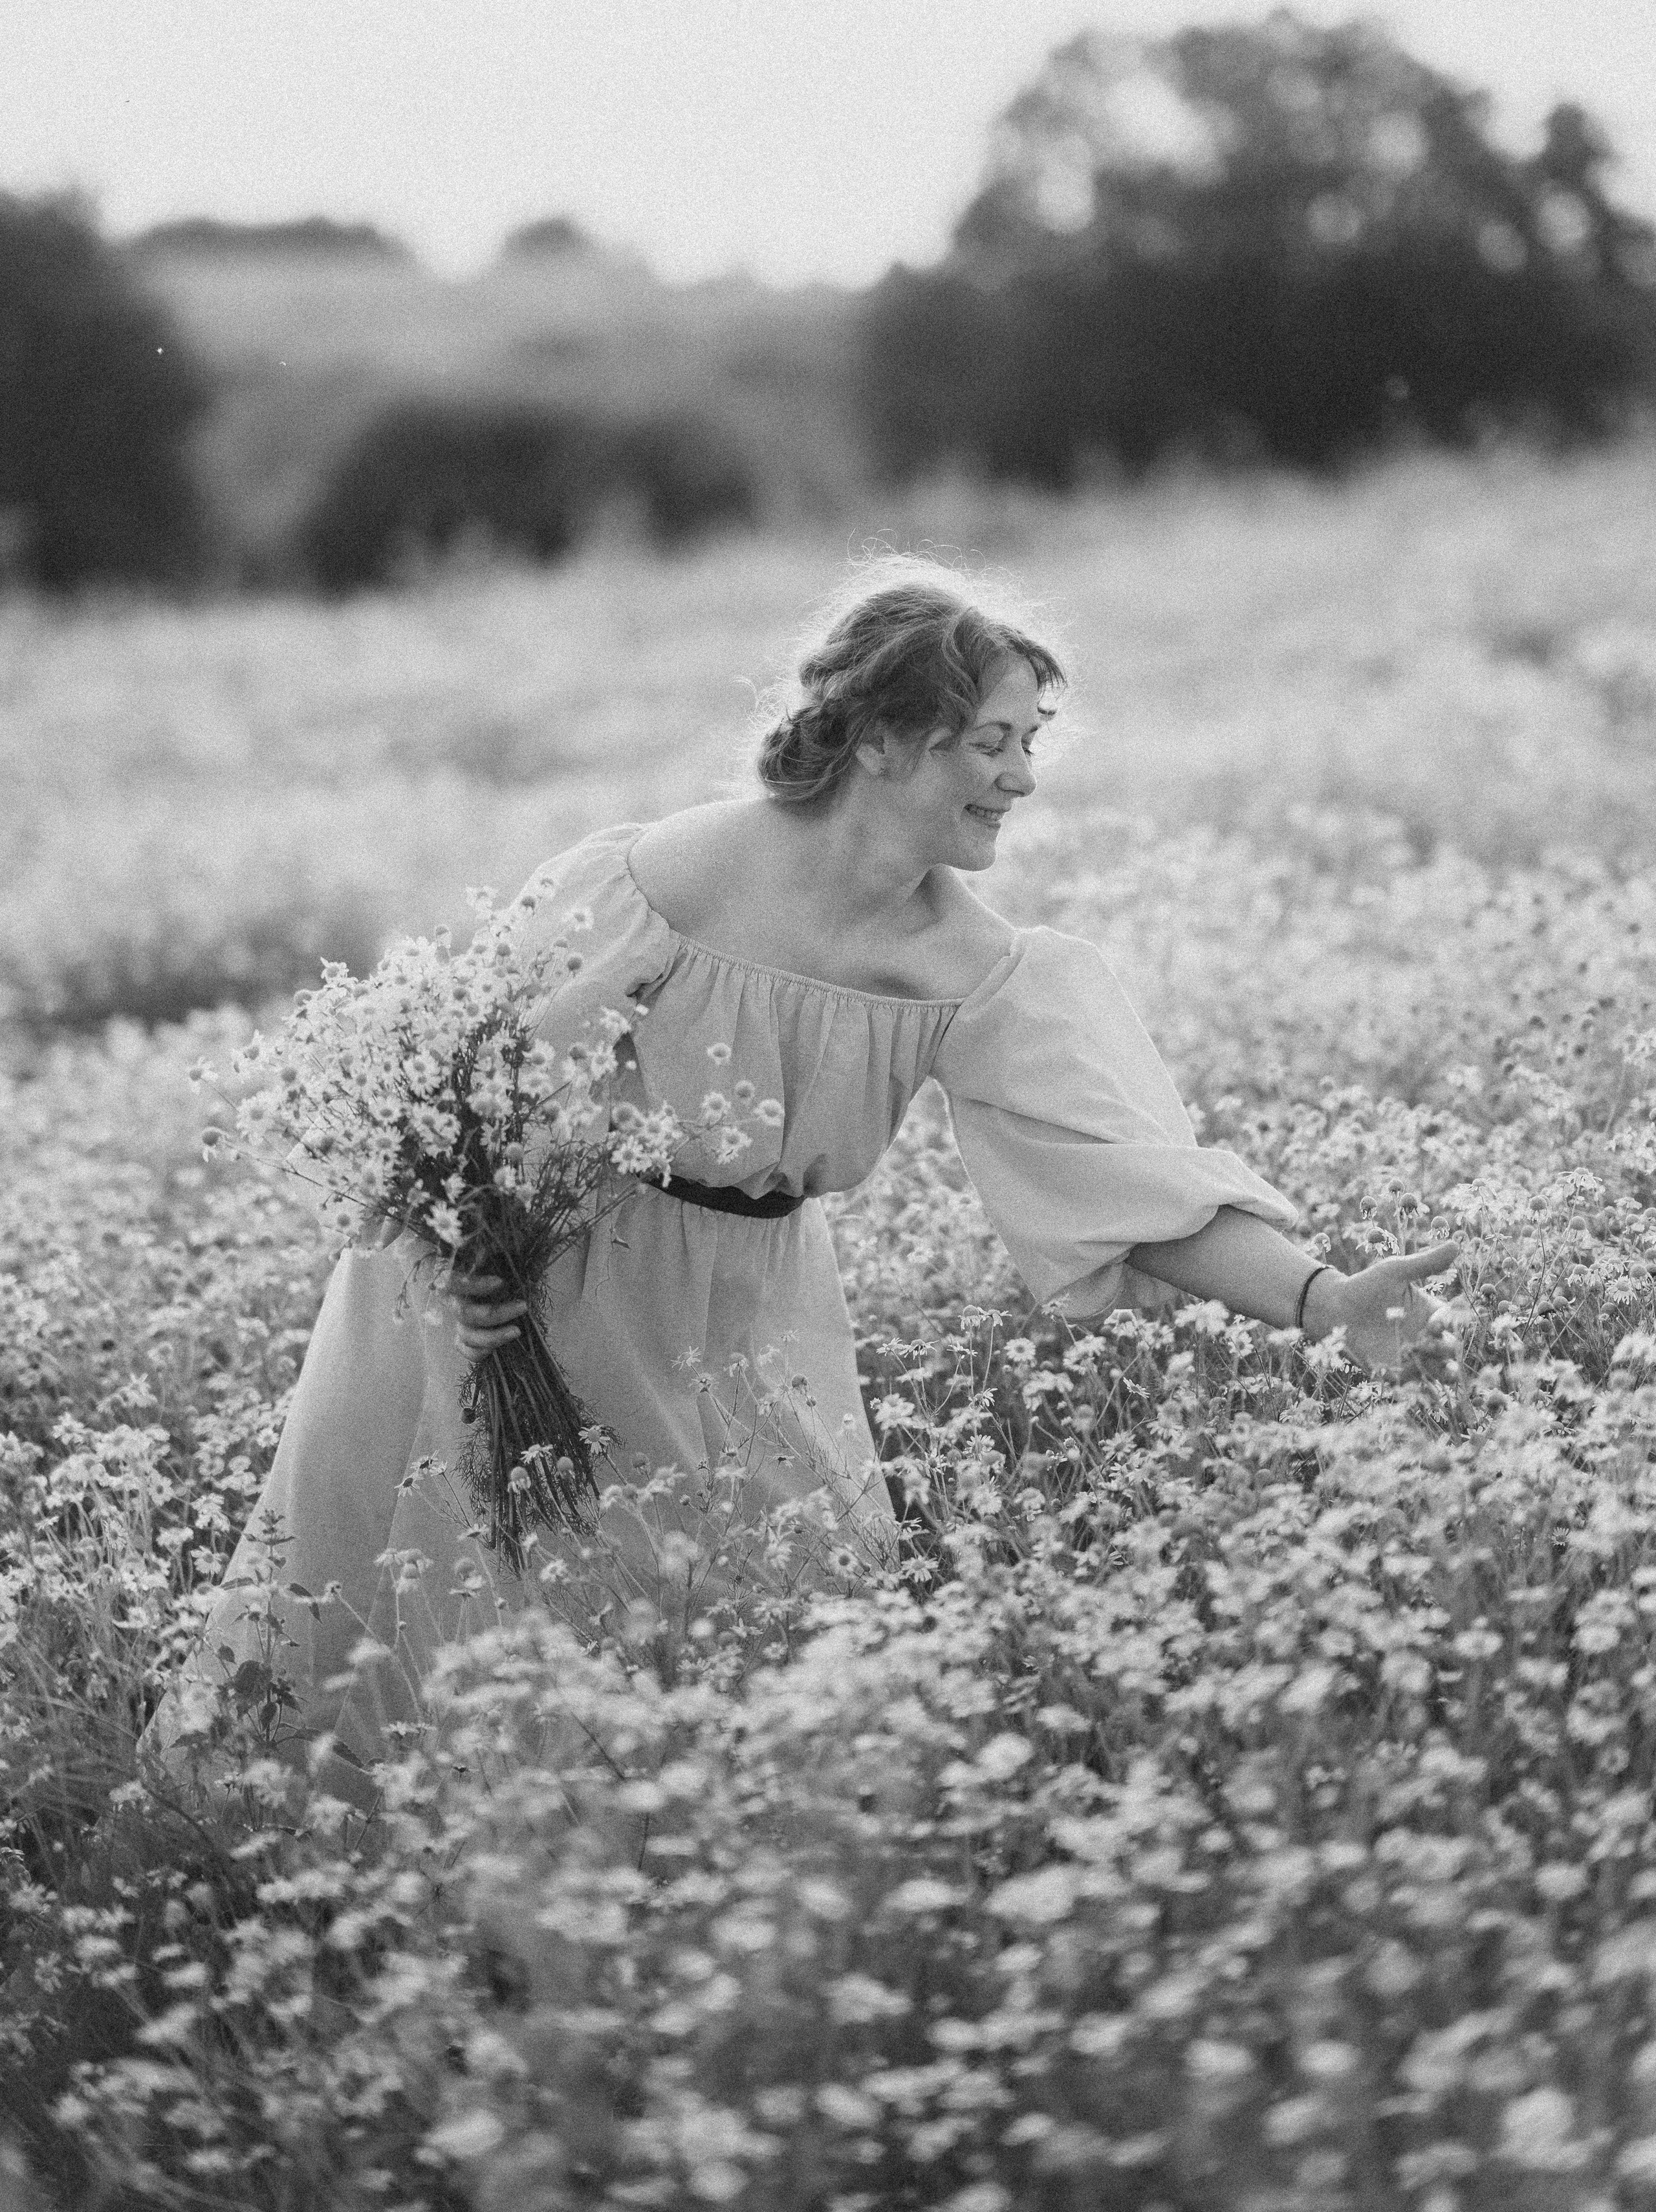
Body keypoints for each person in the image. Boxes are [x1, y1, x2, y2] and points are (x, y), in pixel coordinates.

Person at [147, 556, 1457, 1789]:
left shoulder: (976, 970)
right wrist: (455, 1267)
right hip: (526, 1298)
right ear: (883, 739)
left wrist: (1317, 1300)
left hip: (748, 1313)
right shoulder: (650, 879)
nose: (1019, 780)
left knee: (764, 1631)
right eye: (989, 742)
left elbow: (1122, 1181)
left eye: (1029, 744)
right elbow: (442, 1095)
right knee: (443, 1623)